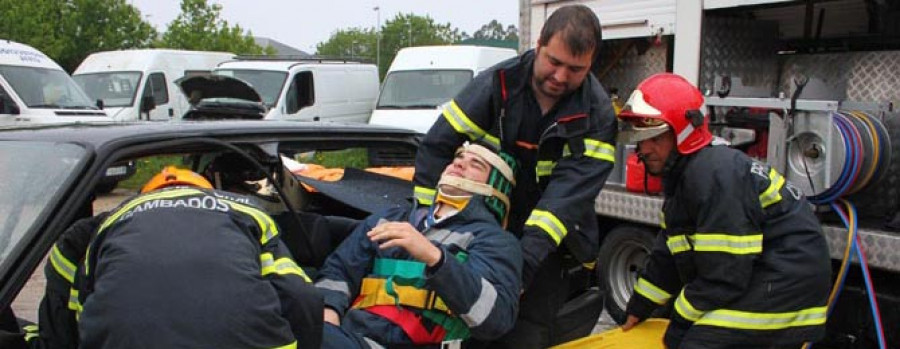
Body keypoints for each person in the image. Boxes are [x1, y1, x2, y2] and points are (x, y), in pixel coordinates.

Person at [412, 5, 617, 347]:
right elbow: (436, 147)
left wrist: (519, 270)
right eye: (554, 61)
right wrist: (427, 221)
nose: (561, 77)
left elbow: (561, 205)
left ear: (591, 64)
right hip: (485, 228)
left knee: (525, 331)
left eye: (575, 69)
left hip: (548, 245)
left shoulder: (597, 115)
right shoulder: (498, 85)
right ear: (539, 45)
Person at [617, 73, 831, 348]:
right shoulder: (687, 178)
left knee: (696, 343)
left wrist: (679, 322)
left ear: (684, 131)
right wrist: (639, 306)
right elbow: (668, 255)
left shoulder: (713, 176)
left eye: (655, 137)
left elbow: (724, 276)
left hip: (785, 284)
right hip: (766, 276)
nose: (644, 149)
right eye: (640, 137)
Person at [26, 166, 323, 349]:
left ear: (143, 196)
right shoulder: (248, 213)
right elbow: (301, 297)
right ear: (210, 193)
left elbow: (65, 321)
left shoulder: (106, 226)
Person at [316, 142, 523, 348]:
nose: (459, 164)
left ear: (495, 187)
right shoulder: (391, 219)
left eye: (475, 164)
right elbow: (340, 269)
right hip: (353, 337)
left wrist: (436, 259)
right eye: (457, 158)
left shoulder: (496, 241)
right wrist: (328, 311)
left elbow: (496, 320)